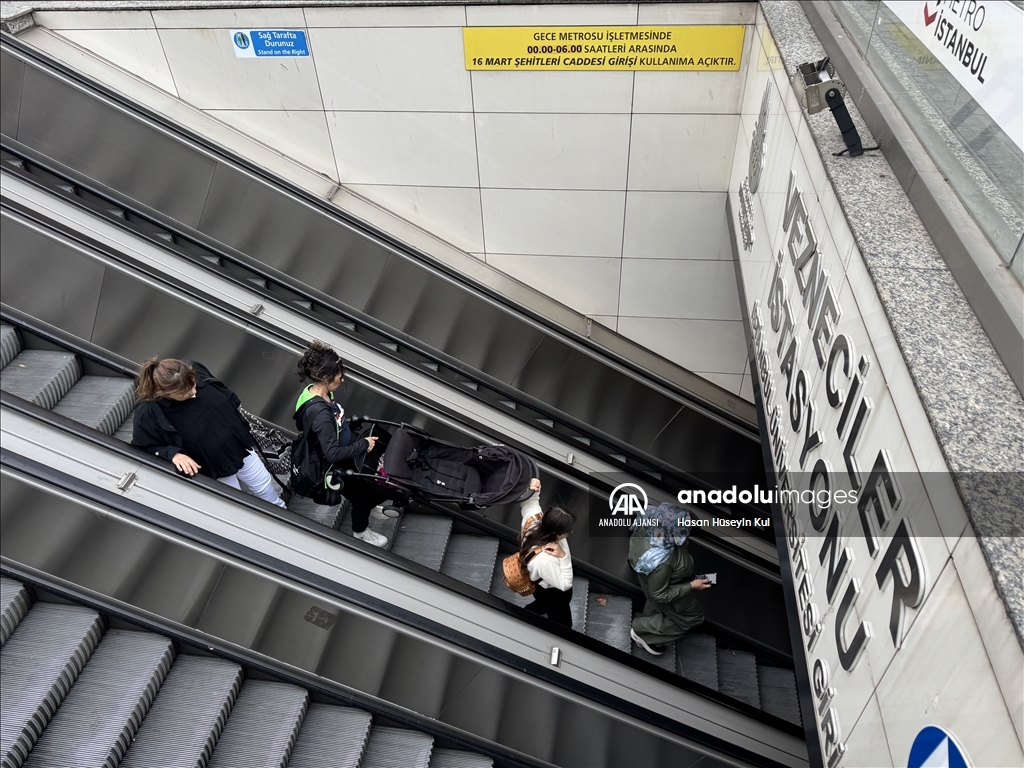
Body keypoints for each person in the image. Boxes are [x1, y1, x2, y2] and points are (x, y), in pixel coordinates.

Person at [131, 358, 286, 508]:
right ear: (165, 392)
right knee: (233, 502)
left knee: (263, 483)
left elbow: (222, 390)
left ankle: (281, 512)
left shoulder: (196, 369)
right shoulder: (149, 412)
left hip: (238, 445)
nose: (194, 392)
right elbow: (144, 445)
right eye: (185, 392)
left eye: (193, 385)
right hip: (210, 464)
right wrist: (174, 454)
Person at [293, 341, 398, 548]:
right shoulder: (320, 413)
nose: (342, 378)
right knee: (364, 498)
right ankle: (361, 532)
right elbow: (332, 453)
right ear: (325, 377)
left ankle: (369, 507)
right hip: (337, 465)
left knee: (370, 483)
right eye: (339, 374)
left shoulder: (316, 392)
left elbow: (329, 426)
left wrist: (347, 424)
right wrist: (363, 445)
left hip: (348, 452)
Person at [629, 503, 712, 656]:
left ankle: (648, 624)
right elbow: (659, 594)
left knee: (655, 601)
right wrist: (692, 586)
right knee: (693, 617)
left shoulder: (652, 519)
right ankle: (641, 629)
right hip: (672, 586)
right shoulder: (661, 561)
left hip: (653, 578)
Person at [519, 477, 576, 629]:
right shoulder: (547, 558)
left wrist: (532, 488)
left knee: (542, 605)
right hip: (551, 593)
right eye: (567, 532)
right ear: (556, 533)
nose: (571, 532)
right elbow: (564, 584)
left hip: (541, 586)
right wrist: (563, 557)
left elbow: (529, 504)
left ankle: (528, 613)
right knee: (563, 623)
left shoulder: (534, 520)